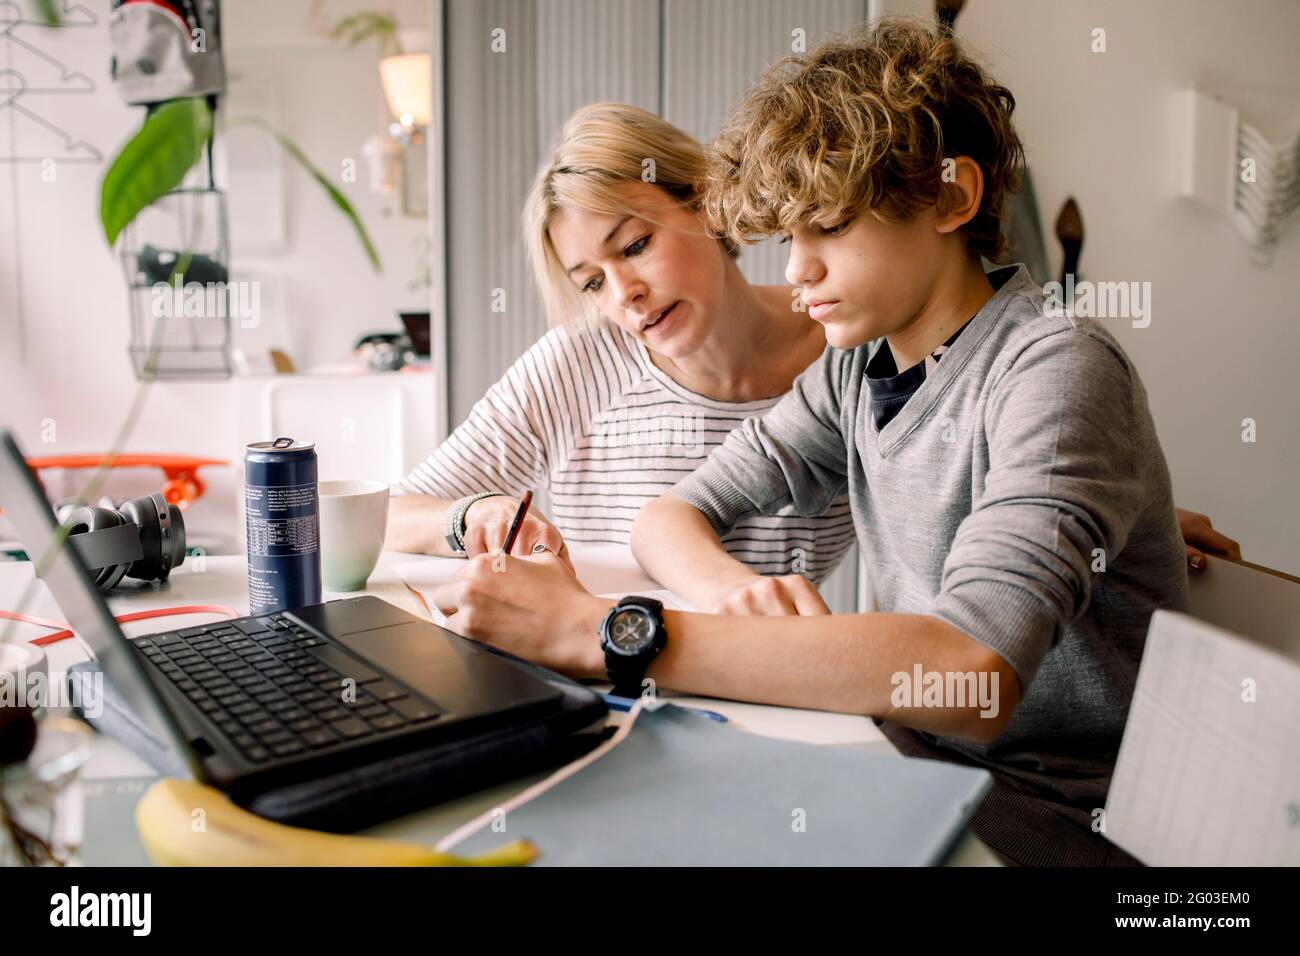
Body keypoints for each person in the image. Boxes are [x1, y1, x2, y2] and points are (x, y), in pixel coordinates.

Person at [433, 20, 1240, 866]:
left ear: (951, 198)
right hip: (907, 753)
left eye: (828, 227)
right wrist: (732, 593)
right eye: (789, 236)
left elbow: (972, 672)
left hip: (1060, 809)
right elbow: (670, 514)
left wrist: (602, 632)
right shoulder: (855, 371)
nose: (795, 272)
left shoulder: (1060, 368)